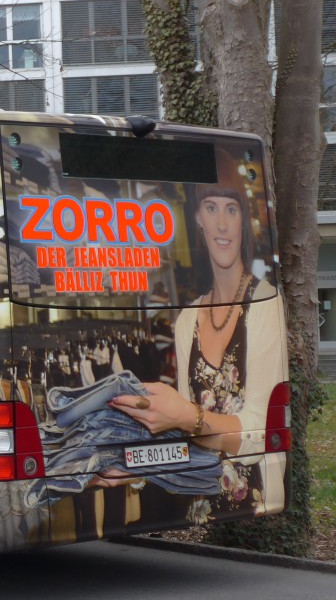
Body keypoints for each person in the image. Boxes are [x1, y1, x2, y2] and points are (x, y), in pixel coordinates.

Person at [111, 180, 286, 480]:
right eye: (211, 208)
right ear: (198, 218)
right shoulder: (186, 320)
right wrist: (131, 470)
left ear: (243, 218)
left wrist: (190, 419)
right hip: (198, 503)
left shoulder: (266, 303)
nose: (221, 224)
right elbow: (184, 442)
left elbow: (263, 433)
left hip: (256, 497)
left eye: (231, 209)